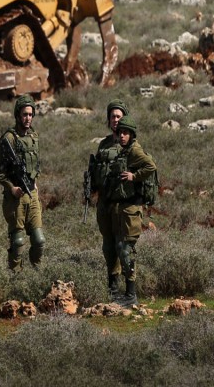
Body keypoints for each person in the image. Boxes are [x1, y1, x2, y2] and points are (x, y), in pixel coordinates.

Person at [101, 114, 156, 307]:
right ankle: (125, 293)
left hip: (132, 209)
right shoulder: (124, 151)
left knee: (126, 251)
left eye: (126, 133)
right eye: (120, 132)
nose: (122, 136)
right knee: (119, 247)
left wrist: (135, 176)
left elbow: (151, 166)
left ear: (132, 134)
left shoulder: (134, 150)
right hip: (122, 209)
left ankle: (131, 294)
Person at [0, 94, 44, 272]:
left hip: (32, 195)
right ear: (17, 115)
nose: (28, 118)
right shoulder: (8, 139)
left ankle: (36, 273)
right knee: (18, 242)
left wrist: (35, 184)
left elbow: (35, 164)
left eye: (30, 114)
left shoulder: (33, 137)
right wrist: (12, 188)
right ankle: (15, 275)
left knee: (39, 240)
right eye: (24, 114)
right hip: (15, 198)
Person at [90, 100, 129, 300]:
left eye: (118, 116)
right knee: (108, 245)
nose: (115, 120)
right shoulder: (104, 144)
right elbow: (97, 170)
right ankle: (112, 285)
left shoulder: (129, 144)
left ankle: (129, 288)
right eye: (112, 116)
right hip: (104, 201)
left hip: (121, 203)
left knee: (122, 245)